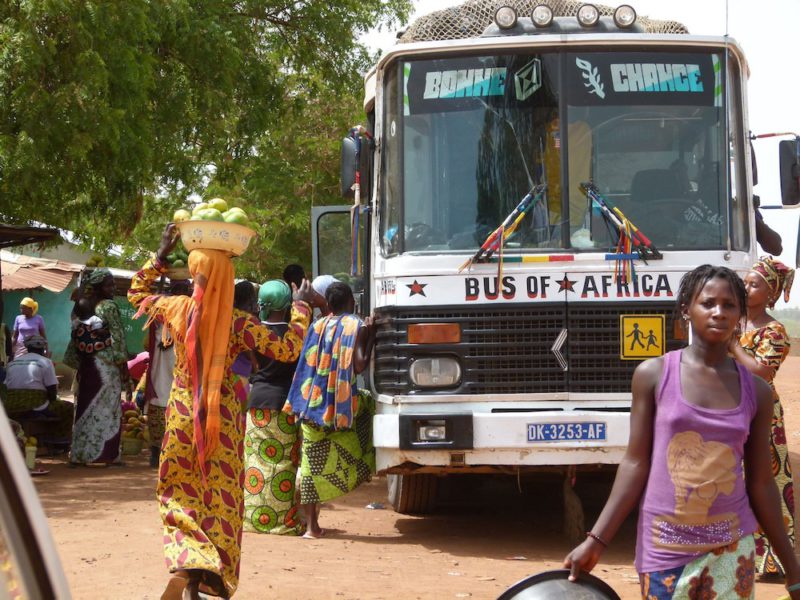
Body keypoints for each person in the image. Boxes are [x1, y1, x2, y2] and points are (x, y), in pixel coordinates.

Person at [564, 265, 800, 599]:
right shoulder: (653, 375)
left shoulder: (756, 391)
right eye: (708, 303)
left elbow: (761, 482)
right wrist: (596, 540)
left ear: (739, 313)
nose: (719, 312)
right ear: (686, 310)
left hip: (732, 550)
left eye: (729, 305)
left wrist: (793, 570)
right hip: (664, 550)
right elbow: (635, 464)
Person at [128, 224, 313, 600]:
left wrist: (160, 254)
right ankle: (207, 573)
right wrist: (300, 307)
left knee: (179, 494)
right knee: (221, 502)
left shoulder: (177, 309)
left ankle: (189, 566)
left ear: (195, 274)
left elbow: (138, 294)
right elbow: (289, 348)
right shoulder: (240, 323)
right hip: (223, 424)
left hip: (181, 418)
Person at [285, 281, 377, 539]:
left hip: (310, 403)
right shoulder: (355, 325)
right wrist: (371, 337)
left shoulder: (316, 325)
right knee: (369, 405)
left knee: (311, 465)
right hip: (339, 408)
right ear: (352, 303)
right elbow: (359, 366)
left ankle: (312, 527)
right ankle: (364, 466)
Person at [729, 256, 795, 578]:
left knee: (765, 482)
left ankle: (772, 560)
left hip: (761, 415)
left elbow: (761, 373)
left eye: (754, 284)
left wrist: (732, 345)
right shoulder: (733, 320)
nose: (746, 287)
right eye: (745, 281)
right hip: (727, 411)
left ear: (770, 293)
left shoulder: (775, 331)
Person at [243, 280, 304, 536]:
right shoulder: (295, 334)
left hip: (257, 402)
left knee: (255, 462)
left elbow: (252, 363)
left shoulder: (253, 332)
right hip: (285, 402)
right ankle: (282, 522)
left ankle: (254, 520)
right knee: (283, 464)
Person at [65, 269, 129, 466]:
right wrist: (123, 366)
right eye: (109, 285)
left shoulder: (80, 308)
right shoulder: (108, 307)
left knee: (85, 405)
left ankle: (80, 455)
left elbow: (74, 339)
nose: (114, 288)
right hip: (107, 367)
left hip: (88, 364)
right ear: (99, 287)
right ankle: (105, 455)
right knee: (108, 408)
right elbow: (118, 339)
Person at [143, 280, 190, 468]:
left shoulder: (189, 311)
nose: (186, 292)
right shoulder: (162, 309)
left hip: (178, 365)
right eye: (183, 288)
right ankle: (156, 453)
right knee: (160, 398)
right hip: (163, 362)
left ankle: (168, 453)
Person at [3, 335, 73, 441]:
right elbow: (52, 391)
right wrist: (53, 400)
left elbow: (7, 386)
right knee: (68, 408)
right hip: (35, 405)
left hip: (10, 405)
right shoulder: (46, 362)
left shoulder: (12, 363)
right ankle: (60, 440)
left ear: (27, 348)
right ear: (43, 349)